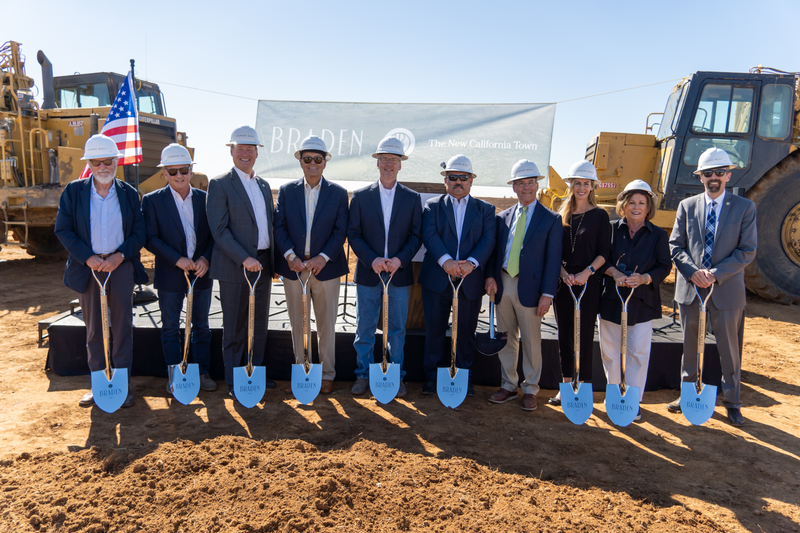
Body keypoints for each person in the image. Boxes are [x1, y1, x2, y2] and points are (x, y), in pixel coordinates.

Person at [54, 134, 148, 408]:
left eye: (108, 161)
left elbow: (139, 232)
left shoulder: (129, 193)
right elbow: (64, 230)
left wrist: (120, 256)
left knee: (122, 327)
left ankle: (121, 386)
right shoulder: (74, 191)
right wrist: (88, 258)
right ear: (90, 164)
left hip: (120, 266)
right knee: (94, 329)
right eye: (97, 162)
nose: (103, 167)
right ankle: (99, 386)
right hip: (89, 269)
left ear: (116, 162)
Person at [667, 148, 757, 426]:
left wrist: (715, 275)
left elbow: (747, 250)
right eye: (708, 173)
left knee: (729, 350)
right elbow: (676, 245)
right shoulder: (687, 206)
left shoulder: (745, 208)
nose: (714, 178)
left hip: (726, 292)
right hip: (691, 289)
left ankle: (732, 402)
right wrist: (694, 273)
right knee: (690, 347)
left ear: (728, 175)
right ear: (700, 177)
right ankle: (688, 395)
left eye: (720, 172)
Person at [347, 137, 422, 397]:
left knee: (397, 330)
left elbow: (416, 235)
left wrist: (400, 259)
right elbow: (353, 233)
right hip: (370, 273)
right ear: (377, 163)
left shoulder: (412, 199)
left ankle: (394, 377)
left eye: (394, 160)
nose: (389, 164)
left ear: (400, 165)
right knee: (365, 327)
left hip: (398, 275)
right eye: (385, 159)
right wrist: (372, 259)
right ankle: (363, 375)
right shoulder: (360, 197)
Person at [274, 135, 349, 395]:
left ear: (325, 162)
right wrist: (290, 257)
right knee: (299, 323)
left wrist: (322, 258)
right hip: (294, 269)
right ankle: (302, 369)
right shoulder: (286, 191)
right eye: (307, 159)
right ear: (300, 162)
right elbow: (279, 227)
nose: (313, 164)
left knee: (326, 324)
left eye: (318, 159)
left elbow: (340, 231)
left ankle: (327, 373)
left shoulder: (338, 193)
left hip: (326, 269)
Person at [485, 160, 562, 411]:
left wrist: (547, 294)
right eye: (521, 183)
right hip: (504, 282)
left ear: (537, 185)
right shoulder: (502, 218)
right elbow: (494, 252)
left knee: (531, 340)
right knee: (506, 338)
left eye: (530, 182)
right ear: (514, 187)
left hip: (533, 288)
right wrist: (491, 276)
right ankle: (508, 385)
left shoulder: (551, 219)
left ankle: (530, 389)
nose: (526, 187)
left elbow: (553, 260)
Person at [206, 125, 276, 399]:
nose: (245, 153)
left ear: (257, 152)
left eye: (250, 149)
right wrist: (243, 258)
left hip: (262, 265)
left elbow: (268, 225)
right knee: (234, 325)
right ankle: (236, 378)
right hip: (236, 267)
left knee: (258, 323)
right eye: (240, 149)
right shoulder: (220, 183)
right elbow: (219, 230)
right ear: (231, 151)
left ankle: (254, 372)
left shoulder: (263, 185)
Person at [419, 154, 496, 397]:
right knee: (434, 329)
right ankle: (431, 376)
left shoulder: (485, 210)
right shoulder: (432, 206)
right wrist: (446, 262)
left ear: (471, 181)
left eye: (463, 177)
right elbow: (429, 235)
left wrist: (471, 264)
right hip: (437, 278)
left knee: (465, 331)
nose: (458, 182)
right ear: (446, 181)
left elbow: (488, 240)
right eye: (453, 178)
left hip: (470, 281)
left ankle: (463, 375)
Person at [142, 144, 216, 394]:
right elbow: (150, 238)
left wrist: (205, 258)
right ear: (164, 173)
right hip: (170, 275)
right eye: (172, 171)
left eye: (183, 170)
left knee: (201, 326)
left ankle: (202, 372)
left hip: (201, 274)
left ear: (191, 171)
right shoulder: (152, 201)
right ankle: (176, 373)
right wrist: (177, 259)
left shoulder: (206, 200)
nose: (179, 175)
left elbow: (214, 236)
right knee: (171, 326)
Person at [597, 180, 671, 421]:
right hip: (611, 299)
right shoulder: (609, 229)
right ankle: (614, 396)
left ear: (648, 207)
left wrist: (645, 278)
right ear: (623, 205)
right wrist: (615, 273)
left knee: (637, 352)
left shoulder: (659, 235)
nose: (636, 207)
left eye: (642, 203)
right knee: (610, 351)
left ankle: (632, 401)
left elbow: (664, 266)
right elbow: (601, 259)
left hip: (642, 300)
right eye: (632, 202)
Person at [549, 160, 610, 406]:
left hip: (588, 284)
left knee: (583, 336)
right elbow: (553, 252)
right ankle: (565, 385)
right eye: (577, 183)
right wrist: (563, 273)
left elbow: (605, 253)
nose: (582, 188)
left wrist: (587, 272)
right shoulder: (560, 215)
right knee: (564, 335)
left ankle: (582, 386)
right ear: (571, 185)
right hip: (564, 284)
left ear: (593, 186)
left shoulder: (600, 216)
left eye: (586, 183)